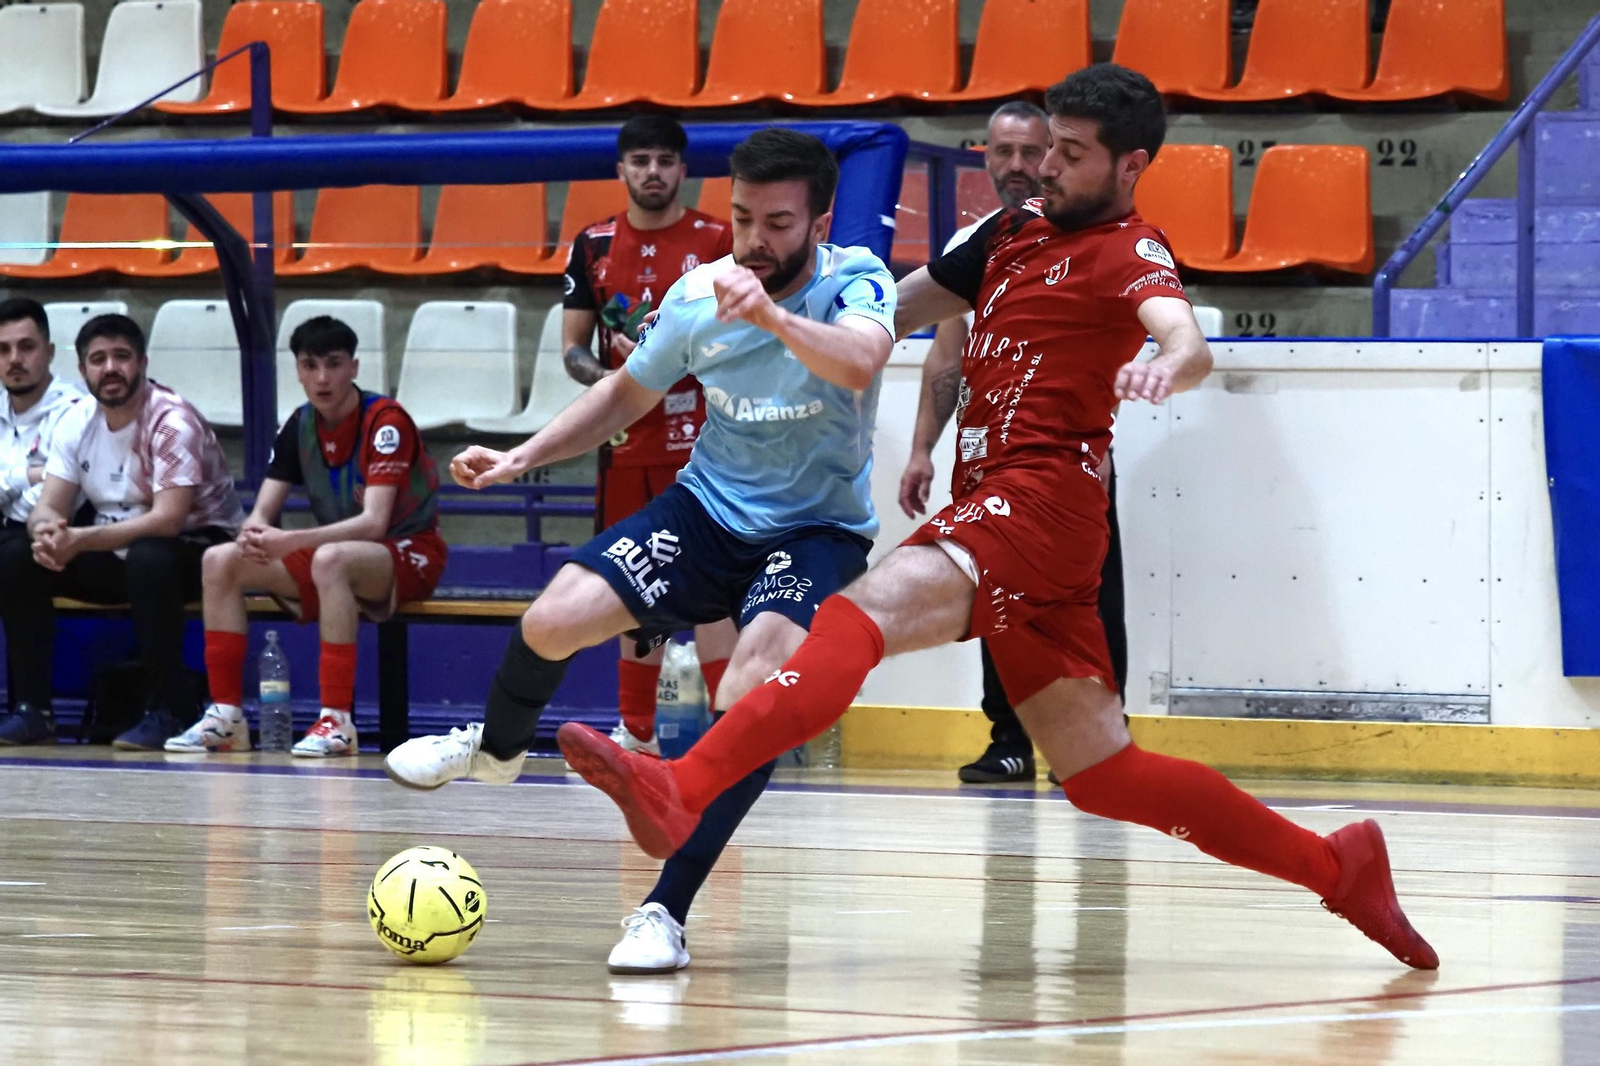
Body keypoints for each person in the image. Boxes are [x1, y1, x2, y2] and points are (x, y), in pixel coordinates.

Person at [559, 65, 1440, 972]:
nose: (1045, 166)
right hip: (1008, 512)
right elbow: (888, 312)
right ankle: (1338, 866)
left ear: (1130, 166)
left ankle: (684, 784)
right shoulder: (1010, 230)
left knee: (858, 615)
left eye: (1071, 153)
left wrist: (1166, 365)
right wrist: (759, 321)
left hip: (1041, 502)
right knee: (1102, 773)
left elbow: (1186, 341)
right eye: (1047, 145)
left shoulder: (1131, 248)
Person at [386, 128, 897, 975]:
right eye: (742, 218)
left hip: (816, 530)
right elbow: (626, 394)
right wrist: (520, 456)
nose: (754, 241)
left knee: (753, 688)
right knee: (554, 618)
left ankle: (665, 909)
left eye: (776, 224)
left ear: (818, 223)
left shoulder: (856, 280)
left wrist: (769, 315)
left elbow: (861, 362)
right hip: (708, 509)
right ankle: (498, 751)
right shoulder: (698, 295)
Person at [898, 101, 1127, 784]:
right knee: (990, 596)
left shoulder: (1095, 235)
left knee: (1092, 605)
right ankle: (1008, 739)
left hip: (1070, 462)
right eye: (1005, 152)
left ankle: (1098, 741)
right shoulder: (975, 242)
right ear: (987, 158)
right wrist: (922, 449)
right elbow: (947, 358)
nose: (1021, 165)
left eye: (1034, 150)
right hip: (988, 460)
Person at [164, 316, 447, 757]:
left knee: (329, 558)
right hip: (333, 556)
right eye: (310, 366)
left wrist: (291, 541)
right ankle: (226, 717)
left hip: (409, 550)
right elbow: (262, 512)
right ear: (297, 370)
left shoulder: (386, 422)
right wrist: (252, 533)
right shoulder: (300, 424)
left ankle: (337, 721)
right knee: (219, 560)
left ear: (354, 367)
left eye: (333, 364)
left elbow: (374, 524)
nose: (322, 378)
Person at [564, 114, 740, 756]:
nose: (653, 172)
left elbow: (745, 336)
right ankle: (637, 731)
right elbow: (572, 351)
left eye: (665, 160)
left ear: (683, 169)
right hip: (625, 448)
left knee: (714, 588)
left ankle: (732, 731)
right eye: (640, 160)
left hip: (704, 442)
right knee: (637, 584)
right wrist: (619, 379)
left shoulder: (719, 238)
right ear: (621, 170)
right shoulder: (593, 244)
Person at [0, 313, 244, 750]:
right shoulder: (76, 420)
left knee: (150, 557)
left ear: (143, 363)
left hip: (200, 548)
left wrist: (80, 540)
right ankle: (34, 710)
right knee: (20, 554)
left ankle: (169, 709)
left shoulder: (171, 420)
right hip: (119, 548)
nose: (110, 368)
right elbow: (49, 505)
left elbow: (168, 519)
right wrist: (48, 531)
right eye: (98, 359)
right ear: (82, 370)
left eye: (121, 357)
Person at [0, 299, 87, 743]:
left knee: (18, 555)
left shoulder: (76, 409)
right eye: (3, 349)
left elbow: (53, 500)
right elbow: (30, 487)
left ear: (50, 352)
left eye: (26, 347)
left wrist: (11, 485)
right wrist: (25, 475)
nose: (14, 359)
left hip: (69, 541)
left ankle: (35, 710)